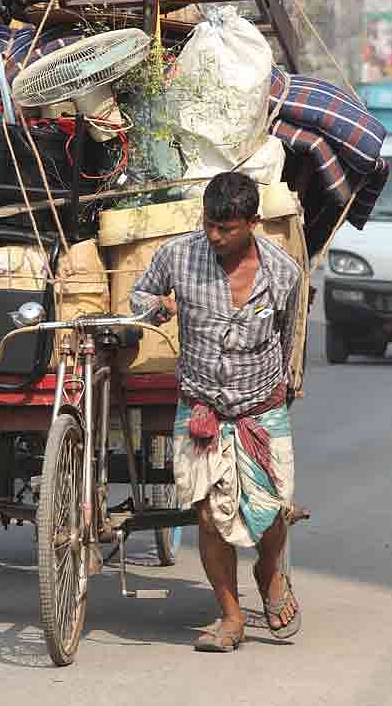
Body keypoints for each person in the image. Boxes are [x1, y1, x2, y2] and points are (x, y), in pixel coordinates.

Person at [131, 171, 302, 652]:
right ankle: (230, 616)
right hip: (202, 404)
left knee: (271, 515)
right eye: (209, 224)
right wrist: (155, 309)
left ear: (253, 222)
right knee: (207, 517)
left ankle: (270, 574)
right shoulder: (178, 255)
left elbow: (289, 338)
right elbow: (140, 295)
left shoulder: (282, 272)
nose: (214, 236)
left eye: (226, 228)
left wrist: (283, 392)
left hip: (261, 407)